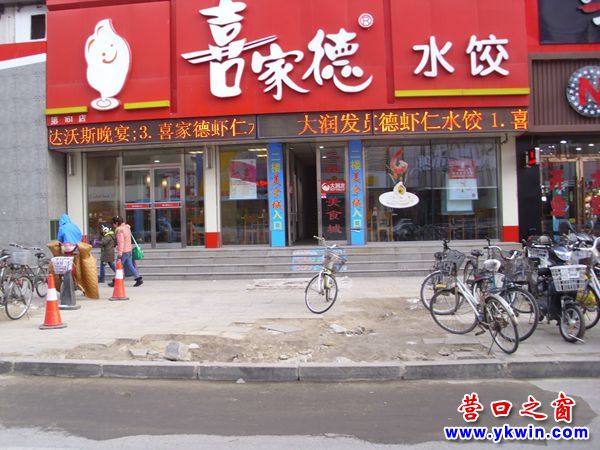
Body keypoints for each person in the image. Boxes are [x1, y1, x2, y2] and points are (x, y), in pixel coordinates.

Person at [109, 215, 143, 287]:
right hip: (129, 250)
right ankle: (138, 279)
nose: (113, 225)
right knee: (130, 265)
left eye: (113, 223)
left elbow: (121, 242)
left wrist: (120, 253)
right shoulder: (126, 228)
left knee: (119, 266)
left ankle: (116, 281)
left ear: (116, 223)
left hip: (123, 251)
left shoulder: (119, 230)